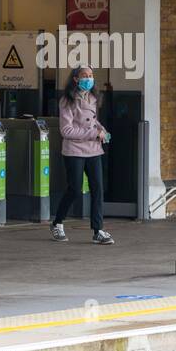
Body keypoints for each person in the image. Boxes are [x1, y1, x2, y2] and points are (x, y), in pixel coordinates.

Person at [51, 65, 114, 244]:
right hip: (74, 151)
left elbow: (93, 121)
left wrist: (102, 130)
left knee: (97, 189)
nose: (88, 78)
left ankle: (98, 230)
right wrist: (94, 134)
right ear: (76, 79)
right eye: (84, 76)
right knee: (74, 190)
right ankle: (57, 223)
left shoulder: (93, 97)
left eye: (91, 75)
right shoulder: (67, 101)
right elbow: (66, 130)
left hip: (94, 150)